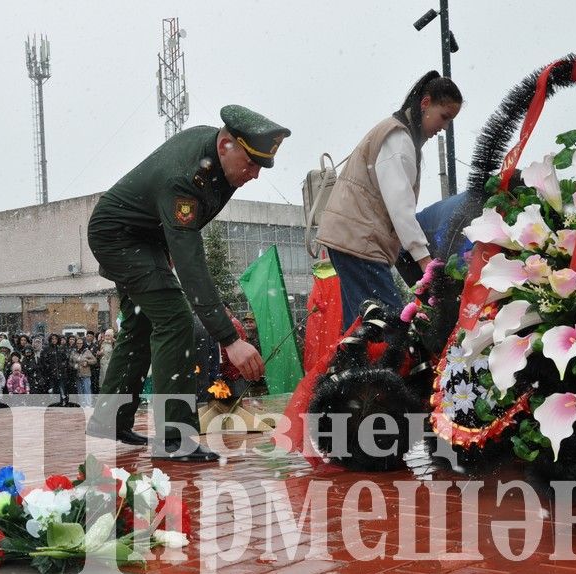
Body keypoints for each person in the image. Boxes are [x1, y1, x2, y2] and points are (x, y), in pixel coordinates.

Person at [86, 104, 286, 461]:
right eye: (251, 163)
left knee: (141, 323)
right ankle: (174, 438)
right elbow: (193, 266)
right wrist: (230, 340)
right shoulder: (187, 178)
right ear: (225, 145)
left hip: (148, 238)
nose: (254, 174)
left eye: (260, 165)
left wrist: (171, 248)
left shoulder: (221, 166)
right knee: (176, 319)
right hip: (119, 236)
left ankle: (110, 418)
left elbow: (185, 232)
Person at [317, 71, 463, 330]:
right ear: (425, 103)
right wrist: (425, 260)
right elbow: (401, 207)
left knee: (363, 328)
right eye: (444, 117)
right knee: (390, 328)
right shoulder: (399, 138)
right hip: (360, 242)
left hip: (352, 238)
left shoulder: (399, 134)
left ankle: (355, 366)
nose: (444, 127)